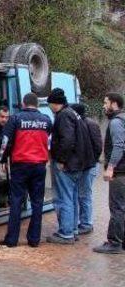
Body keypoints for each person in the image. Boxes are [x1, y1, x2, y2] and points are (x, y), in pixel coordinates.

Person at [0, 93, 52, 248]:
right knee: (37, 203)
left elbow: (5, 142)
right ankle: (34, 240)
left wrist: (3, 159)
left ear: (23, 103)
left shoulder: (15, 119)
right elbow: (47, 139)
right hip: (39, 166)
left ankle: (12, 240)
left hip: (20, 165)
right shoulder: (46, 120)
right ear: (37, 104)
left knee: (16, 202)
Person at [46, 88, 95, 245]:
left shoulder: (64, 116)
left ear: (55, 103)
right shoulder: (73, 113)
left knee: (63, 198)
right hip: (78, 165)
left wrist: (60, 159)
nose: (49, 107)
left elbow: (67, 140)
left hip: (68, 165)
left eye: (49, 104)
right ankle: (72, 230)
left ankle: (66, 233)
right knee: (72, 197)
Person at [94, 93, 125, 254]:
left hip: (120, 173)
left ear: (114, 104)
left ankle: (114, 243)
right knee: (122, 207)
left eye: (106, 103)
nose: (104, 106)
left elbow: (119, 146)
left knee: (117, 207)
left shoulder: (116, 122)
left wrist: (111, 167)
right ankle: (120, 240)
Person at [71, 103, 103, 235]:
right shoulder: (86, 123)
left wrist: (91, 161)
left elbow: (97, 146)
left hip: (89, 166)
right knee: (82, 194)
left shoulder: (89, 124)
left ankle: (86, 223)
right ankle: (84, 222)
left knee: (84, 195)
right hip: (87, 165)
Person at [0, 102, 11, 207]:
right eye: (2, 117)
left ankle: (4, 202)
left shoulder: (7, 127)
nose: (4, 119)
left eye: (6, 117)